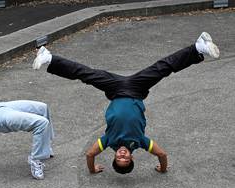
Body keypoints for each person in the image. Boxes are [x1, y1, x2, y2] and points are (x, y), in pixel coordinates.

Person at [32, 32, 219, 174]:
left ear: (114, 156)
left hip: (115, 90)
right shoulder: (140, 142)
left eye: (119, 159)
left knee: (86, 74)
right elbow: (162, 155)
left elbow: (90, 155)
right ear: (131, 157)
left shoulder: (108, 141)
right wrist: (162, 169)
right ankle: (198, 48)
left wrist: (93, 169)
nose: (122, 155)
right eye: (126, 159)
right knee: (162, 68)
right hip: (136, 90)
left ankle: (49, 58)